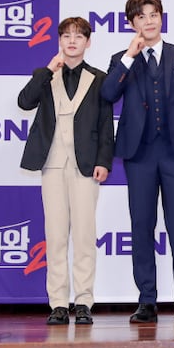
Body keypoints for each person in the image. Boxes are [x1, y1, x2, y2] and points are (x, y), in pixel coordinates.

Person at [101, 0, 174, 323]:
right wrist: (129, 57)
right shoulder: (122, 59)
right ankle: (147, 300)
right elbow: (107, 93)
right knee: (142, 225)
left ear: (161, 17)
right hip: (139, 156)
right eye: (141, 17)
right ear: (132, 23)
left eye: (153, 15)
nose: (148, 21)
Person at [18, 17, 114, 325]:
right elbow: (24, 102)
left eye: (78, 36)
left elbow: (106, 125)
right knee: (56, 235)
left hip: (85, 166)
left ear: (88, 42)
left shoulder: (99, 78)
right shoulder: (46, 75)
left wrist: (104, 161)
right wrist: (48, 70)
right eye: (66, 36)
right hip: (52, 164)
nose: (72, 41)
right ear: (59, 41)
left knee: (84, 236)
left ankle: (83, 301)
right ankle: (58, 303)